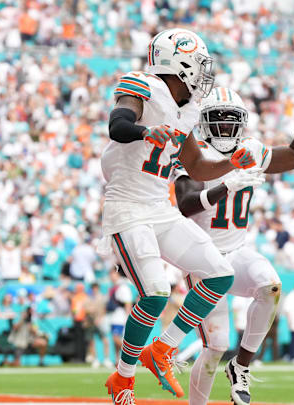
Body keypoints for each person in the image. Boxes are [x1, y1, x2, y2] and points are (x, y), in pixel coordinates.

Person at [101, 28, 259, 403]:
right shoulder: (144, 86)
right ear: (180, 62)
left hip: (159, 207)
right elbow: (118, 124)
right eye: (199, 64)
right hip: (127, 208)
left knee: (220, 273)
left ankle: (163, 350)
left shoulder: (186, 110)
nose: (204, 73)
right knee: (155, 293)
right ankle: (123, 379)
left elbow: (198, 167)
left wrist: (229, 163)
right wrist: (145, 131)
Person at [172, 84, 294, 405]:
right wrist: (226, 185)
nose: (226, 127)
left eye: (232, 120)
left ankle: (241, 366)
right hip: (203, 256)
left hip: (237, 251)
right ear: (204, 122)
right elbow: (185, 203)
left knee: (270, 286)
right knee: (214, 348)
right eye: (219, 120)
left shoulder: (250, 150)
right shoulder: (194, 153)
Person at [107, 269, 134, 367]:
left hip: (120, 316)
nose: (111, 276)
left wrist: (127, 317)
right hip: (114, 315)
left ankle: (131, 354)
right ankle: (117, 360)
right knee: (115, 340)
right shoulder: (115, 286)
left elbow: (128, 303)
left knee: (116, 338)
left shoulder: (123, 287)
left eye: (112, 274)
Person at [86, 283, 113, 368]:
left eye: (96, 288)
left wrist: (100, 318)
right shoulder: (89, 298)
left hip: (100, 321)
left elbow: (104, 309)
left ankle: (106, 359)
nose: (94, 289)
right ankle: (95, 359)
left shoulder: (102, 297)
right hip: (91, 321)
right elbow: (86, 309)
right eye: (93, 288)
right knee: (92, 342)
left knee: (105, 340)